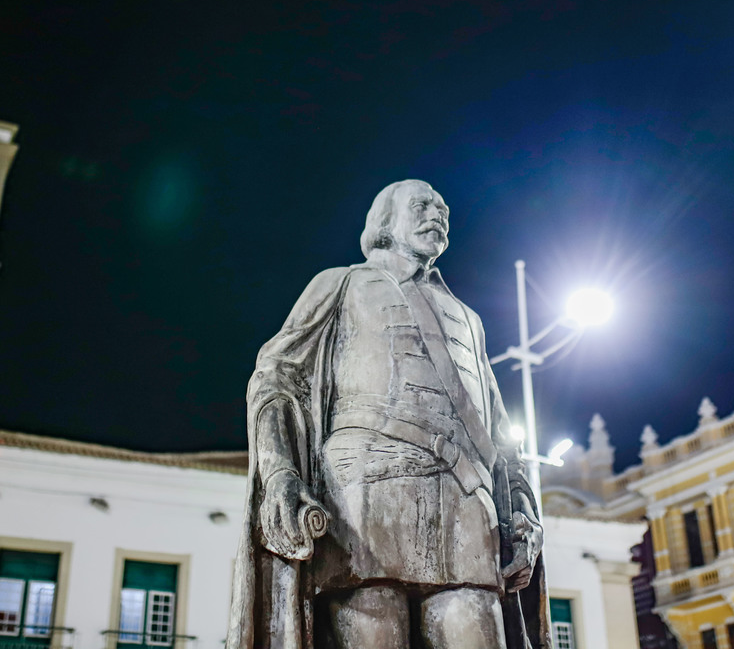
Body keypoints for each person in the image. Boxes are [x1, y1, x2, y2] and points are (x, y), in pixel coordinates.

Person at [227, 180, 548, 649]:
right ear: (384, 223)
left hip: (465, 505)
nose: (437, 214)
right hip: (364, 499)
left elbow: (499, 435)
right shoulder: (340, 284)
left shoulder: (467, 318)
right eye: (422, 205)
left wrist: (519, 507)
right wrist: (279, 474)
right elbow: (277, 377)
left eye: (443, 208)